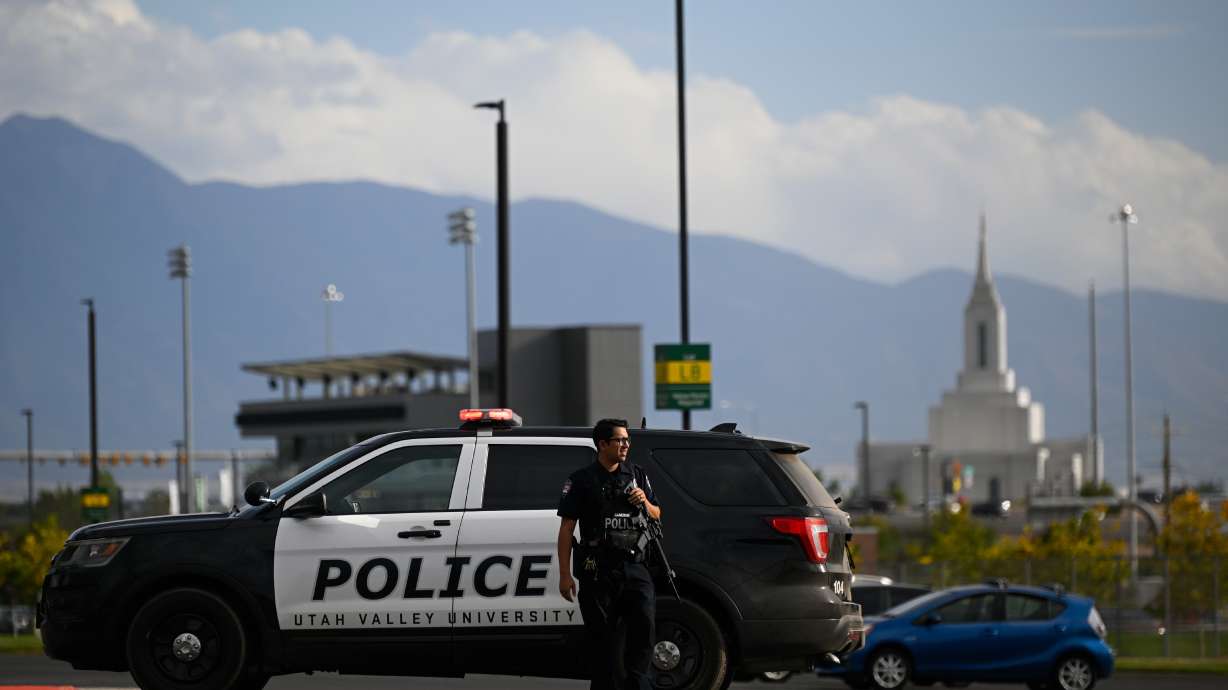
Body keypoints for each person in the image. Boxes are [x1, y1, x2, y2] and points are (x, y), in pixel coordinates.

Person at [558, 418, 661, 690]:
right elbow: (567, 529)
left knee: (644, 631)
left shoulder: (637, 474)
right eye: (620, 440)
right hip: (598, 570)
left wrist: (645, 501)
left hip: (634, 567)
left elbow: (657, 513)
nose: (626, 444)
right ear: (602, 444)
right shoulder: (581, 480)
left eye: (627, 440)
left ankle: (640, 685)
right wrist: (565, 575)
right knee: (602, 639)